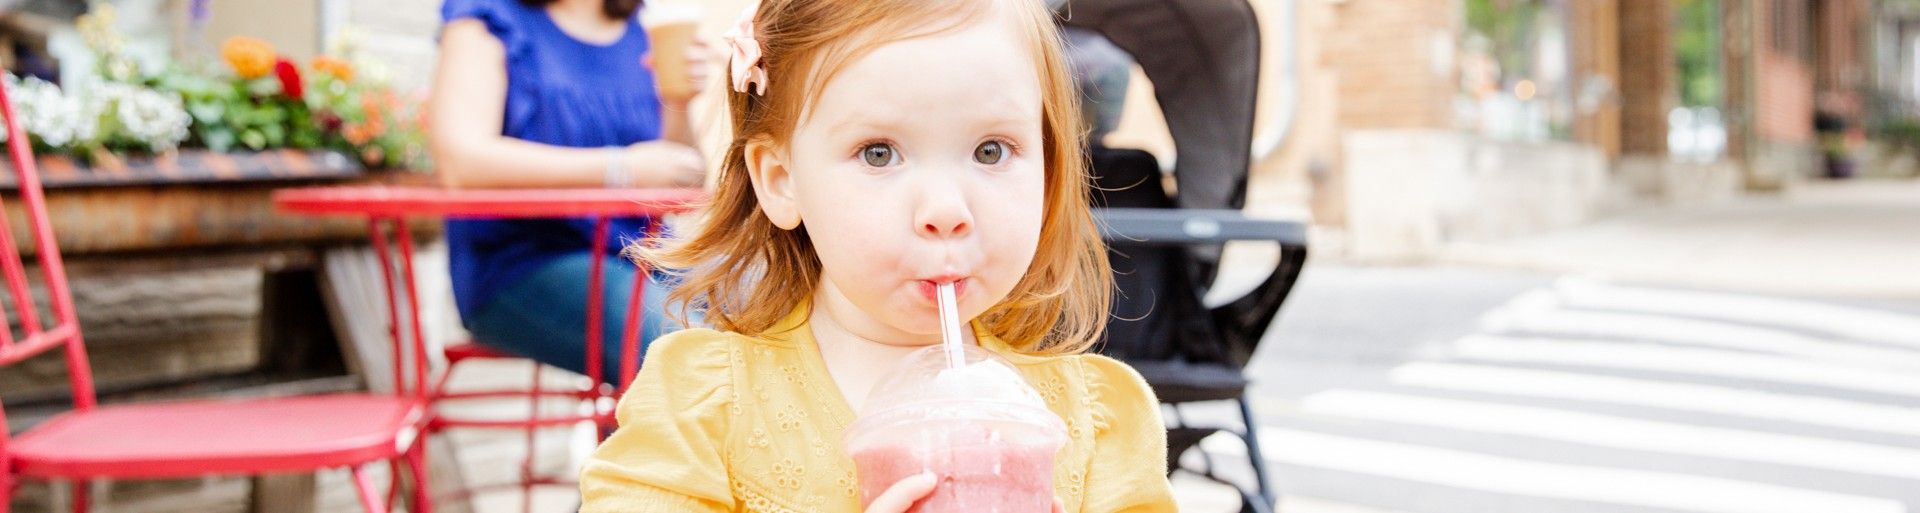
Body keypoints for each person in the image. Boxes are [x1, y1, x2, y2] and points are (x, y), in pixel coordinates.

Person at [578, 0, 1178, 511]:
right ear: (782, 179)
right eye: (879, 153)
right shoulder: (706, 405)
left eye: (992, 150)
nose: (946, 208)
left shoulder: (1097, 421)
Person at [428, 0, 709, 382]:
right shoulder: (489, 19)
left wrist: (678, 101)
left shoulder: (644, 29)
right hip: (523, 263)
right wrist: (620, 167)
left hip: (643, 254)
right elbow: (461, 160)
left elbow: (671, 172)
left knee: (773, 318)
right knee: (688, 352)